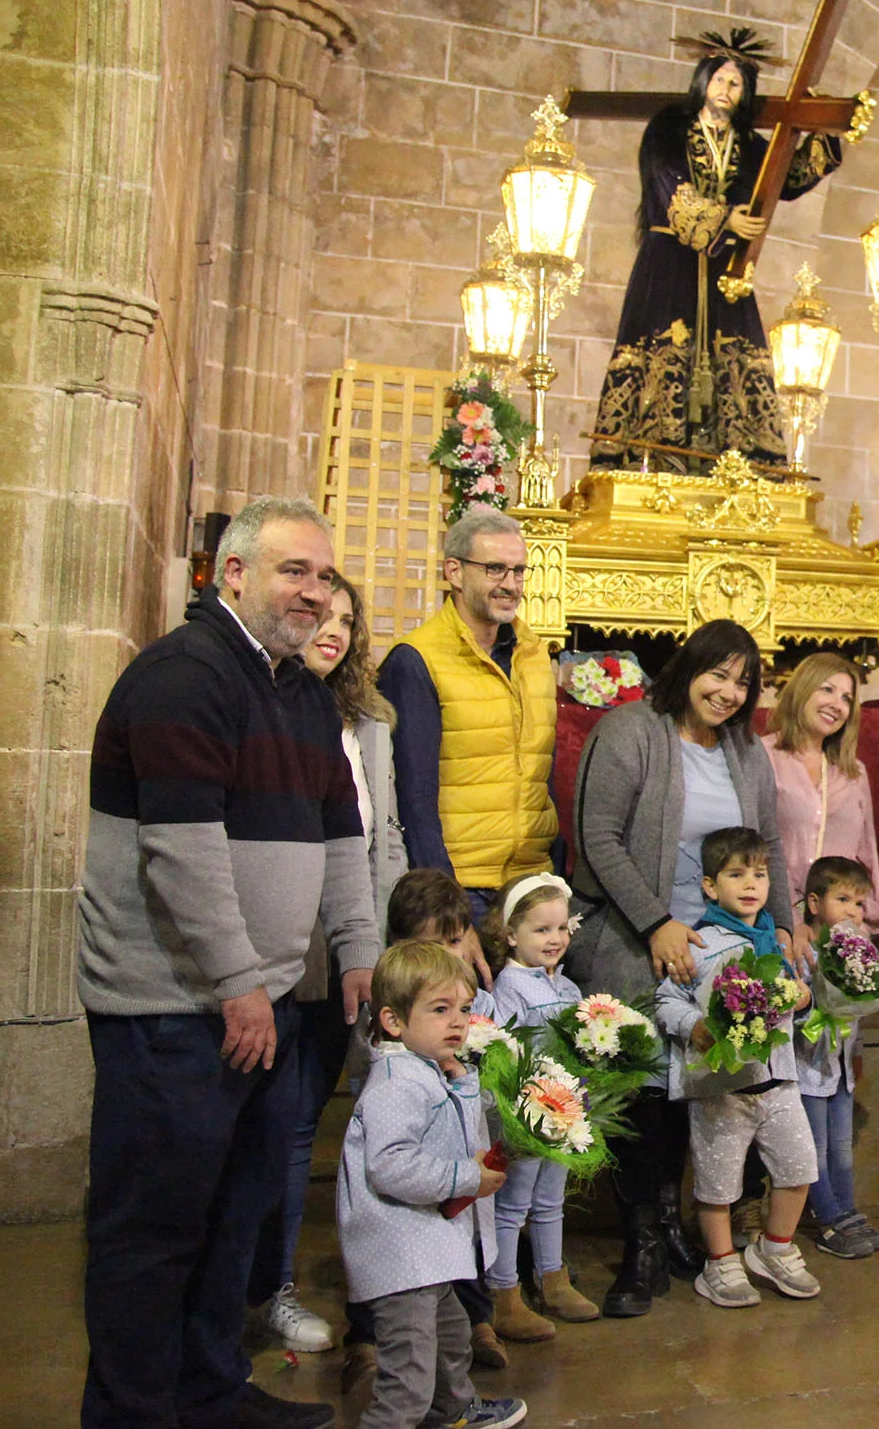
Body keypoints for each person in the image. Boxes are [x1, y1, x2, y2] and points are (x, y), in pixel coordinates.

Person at [77, 496, 378, 1429]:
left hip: (265, 1002)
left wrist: (358, 949)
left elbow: (340, 835)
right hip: (174, 1007)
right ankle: (133, 1415)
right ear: (232, 573)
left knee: (231, 1217)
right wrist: (238, 981)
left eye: (324, 576)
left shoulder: (298, 691)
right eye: (295, 571)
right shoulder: (185, 675)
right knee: (153, 1230)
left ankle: (207, 1395)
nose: (314, 591)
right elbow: (181, 849)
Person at [565, 619, 793, 1316]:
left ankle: (676, 1226)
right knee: (641, 1092)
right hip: (638, 937)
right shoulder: (632, 730)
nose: (728, 692)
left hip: (723, 947)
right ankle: (640, 1240)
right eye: (716, 674)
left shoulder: (746, 751)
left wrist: (781, 924)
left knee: (703, 1089)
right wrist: (656, 921)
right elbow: (596, 835)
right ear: (687, 668)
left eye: (742, 681)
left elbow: (770, 844)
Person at [247, 569, 410, 1357]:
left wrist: (391, 944)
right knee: (284, 1126)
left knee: (335, 1119)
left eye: (348, 619)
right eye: (323, 616)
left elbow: (385, 840)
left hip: (357, 952)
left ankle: (382, 1289)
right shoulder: (264, 711)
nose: (334, 630)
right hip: (283, 951)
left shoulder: (369, 723)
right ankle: (268, 1287)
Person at [591, 27, 843, 469]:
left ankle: (737, 466)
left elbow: (789, 176)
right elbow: (668, 184)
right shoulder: (668, 128)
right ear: (703, 81)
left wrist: (824, 128)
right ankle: (651, 460)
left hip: (727, 272)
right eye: (721, 79)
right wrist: (725, 217)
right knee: (662, 353)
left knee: (734, 362)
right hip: (669, 265)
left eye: (737, 83)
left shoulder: (747, 144)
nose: (726, 90)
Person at [337, 940, 527, 1429]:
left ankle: (456, 1411)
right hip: (401, 1257)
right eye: (440, 1010)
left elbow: (446, 1128)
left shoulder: (426, 1071)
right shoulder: (397, 1083)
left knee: (450, 1335)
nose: (459, 1022)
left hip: (426, 1252)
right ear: (393, 1021)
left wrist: (462, 1082)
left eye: (464, 1009)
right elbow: (391, 1166)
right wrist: (467, 1176)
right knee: (410, 1375)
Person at [652, 827, 822, 1308]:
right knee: (718, 1183)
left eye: (760, 874)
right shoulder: (701, 943)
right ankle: (720, 1262)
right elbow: (665, 1001)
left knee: (798, 1168)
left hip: (779, 1082)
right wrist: (695, 1026)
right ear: (710, 887)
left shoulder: (778, 942)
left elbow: (796, 1002)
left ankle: (776, 1248)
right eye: (736, 874)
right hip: (721, 1087)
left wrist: (803, 999)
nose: (751, 884)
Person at [378, 505, 559, 918]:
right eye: (495, 569)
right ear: (454, 572)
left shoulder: (534, 655)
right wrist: (442, 903)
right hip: (460, 885)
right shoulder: (417, 659)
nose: (510, 584)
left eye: (518, 571)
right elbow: (414, 796)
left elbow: (541, 772)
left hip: (532, 882)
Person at [481, 873, 599, 1338]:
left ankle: (552, 1277)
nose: (555, 939)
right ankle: (502, 1291)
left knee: (551, 1200)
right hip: (526, 1114)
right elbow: (508, 1054)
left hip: (564, 1112)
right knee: (513, 1203)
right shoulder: (509, 988)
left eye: (561, 928)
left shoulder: (567, 988)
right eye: (541, 930)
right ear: (510, 934)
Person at [794, 855, 879, 1260]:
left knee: (842, 1145)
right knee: (814, 1146)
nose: (852, 911)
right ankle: (827, 1216)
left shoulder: (857, 950)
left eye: (859, 903)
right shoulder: (801, 951)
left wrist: (859, 1051)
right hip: (809, 1065)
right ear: (814, 903)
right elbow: (792, 1009)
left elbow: (857, 1008)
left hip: (842, 1066)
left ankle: (847, 1209)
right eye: (843, 899)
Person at [762, 651, 879, 927]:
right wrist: (789, 919)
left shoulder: (854, 772)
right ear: (802, 690)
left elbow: (867, 856)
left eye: (846, 699)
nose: (837, 705)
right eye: (827, 690)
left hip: (841, 927)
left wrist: (864, 922)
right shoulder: (763, 756)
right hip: (774, 920)